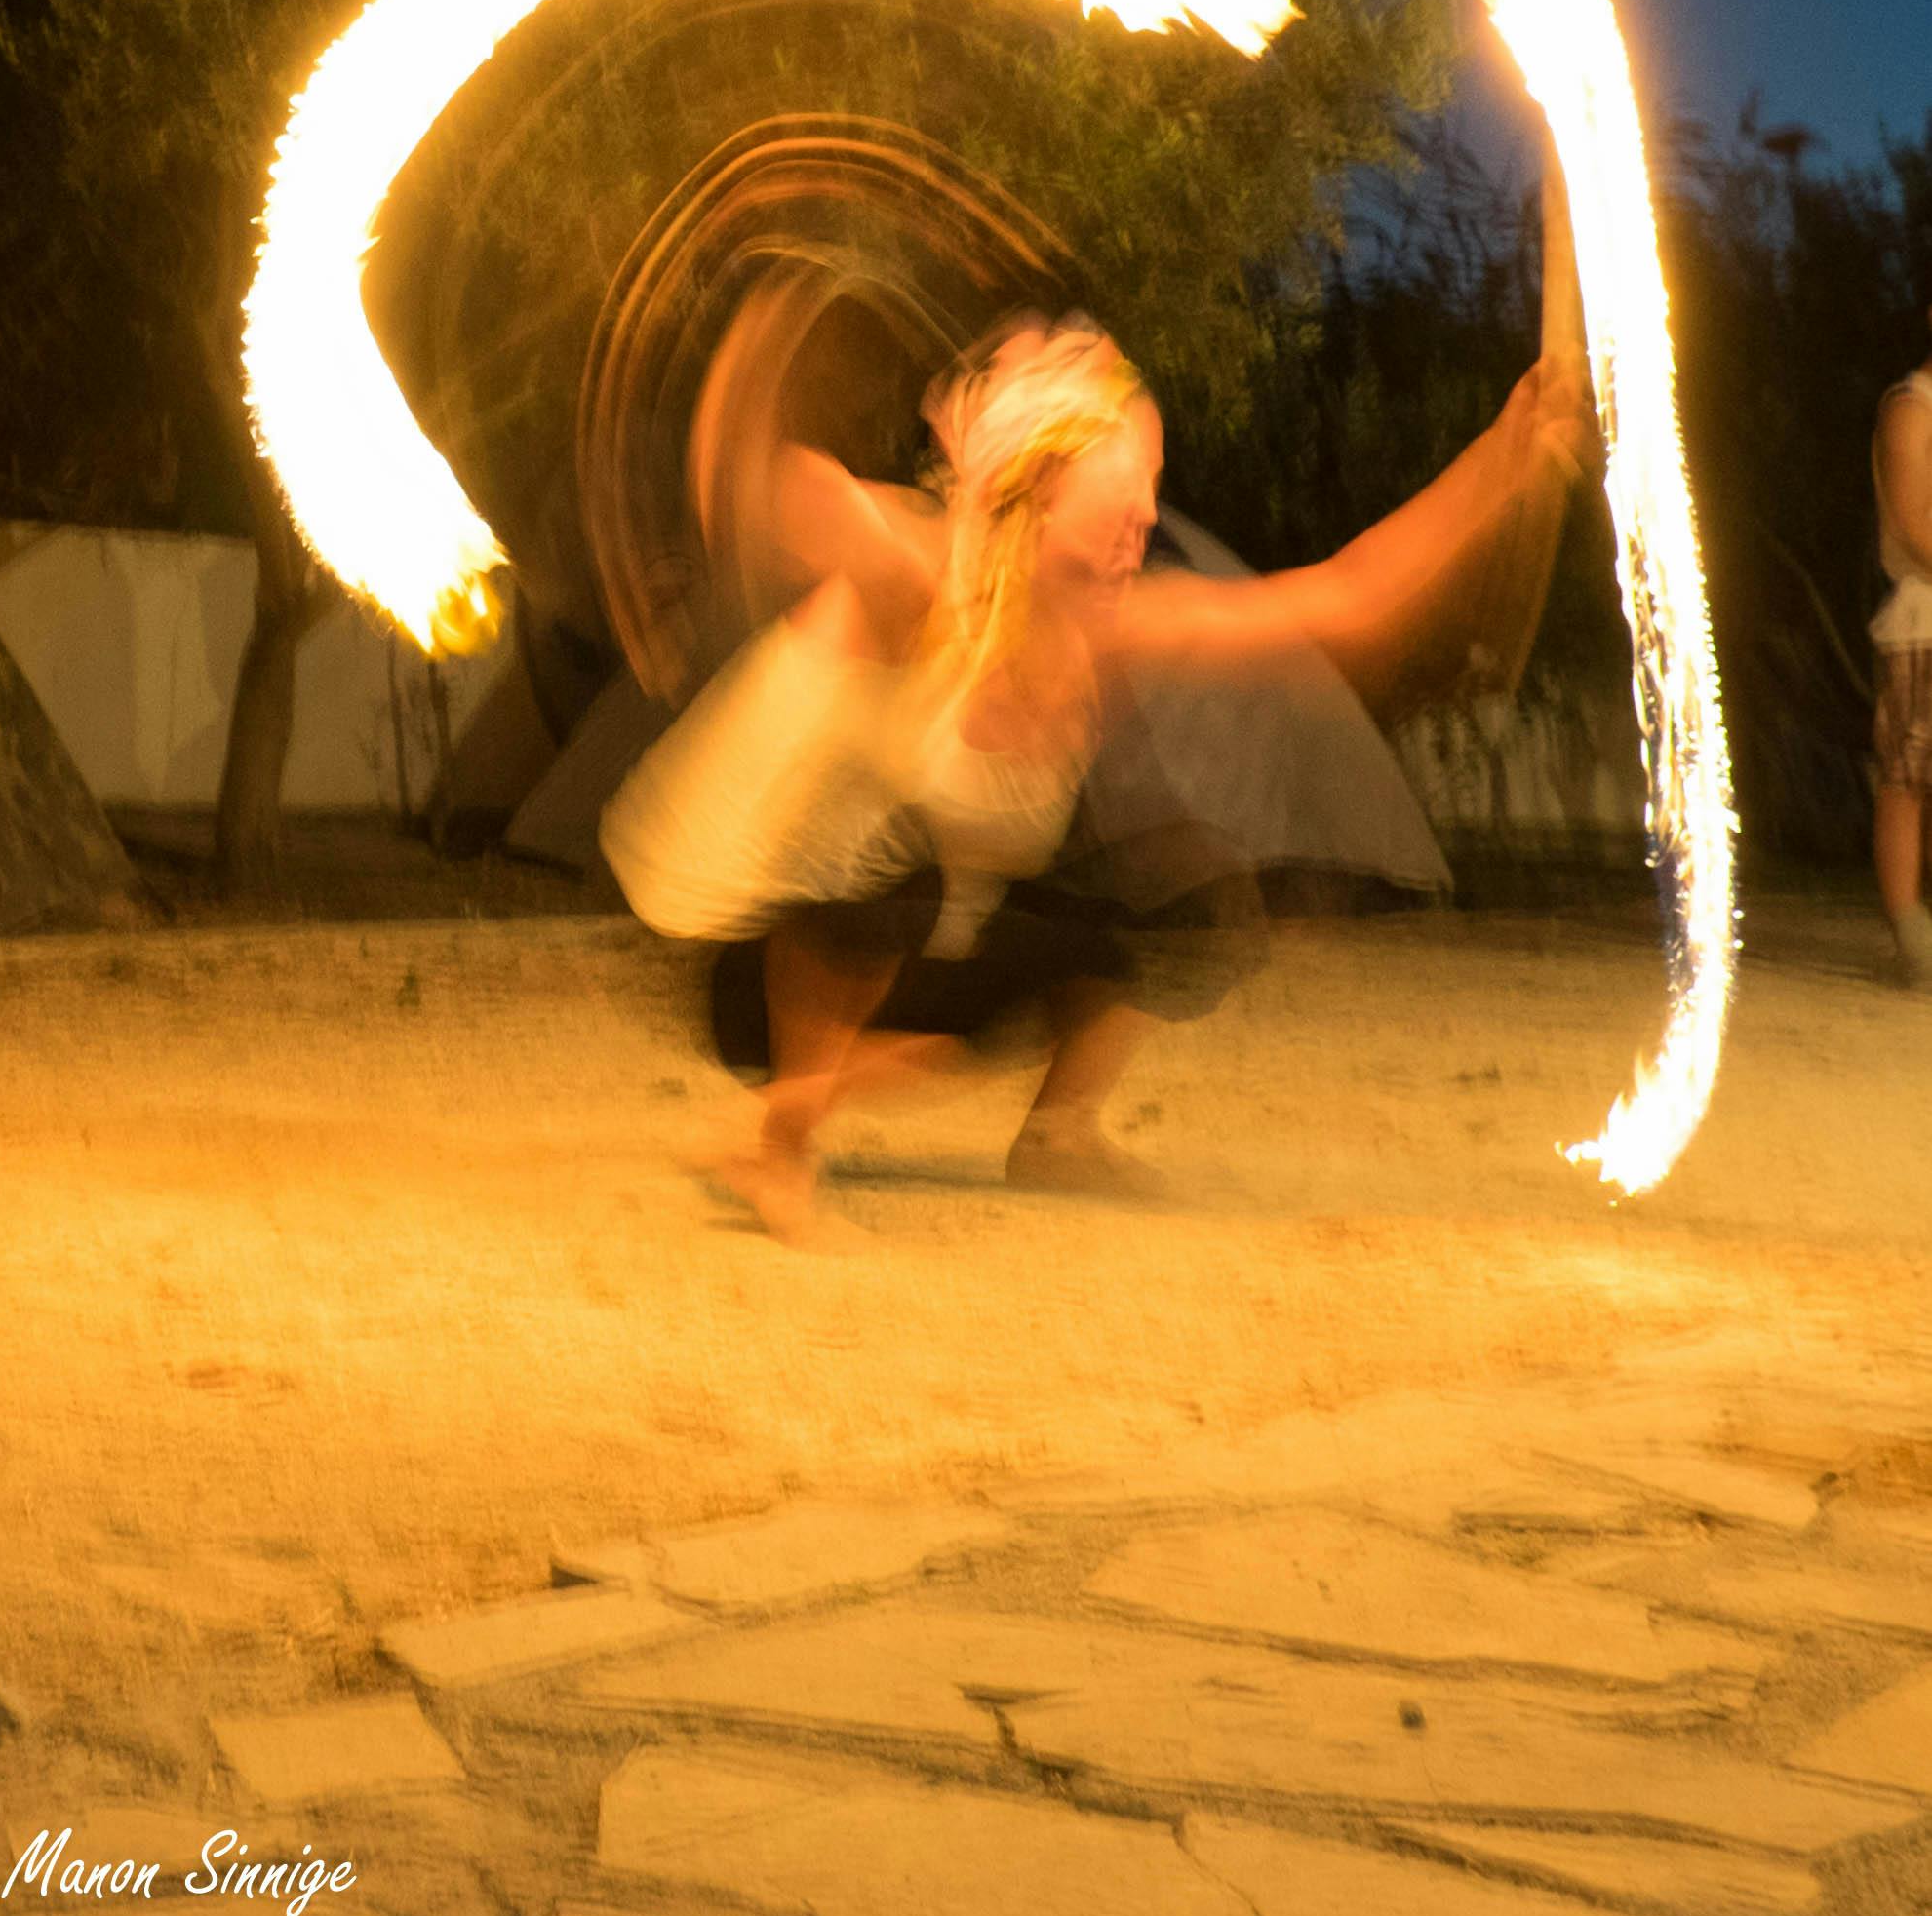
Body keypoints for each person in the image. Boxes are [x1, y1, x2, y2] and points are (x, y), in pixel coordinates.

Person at [604, 307, 1587, 1244]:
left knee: (1186, 876)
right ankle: (781, 1141)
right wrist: (756, 377)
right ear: (1033, 496)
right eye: (1121, 500)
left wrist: (1504, 453)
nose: (1146, 520)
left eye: (1149, 494)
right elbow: (788, 487)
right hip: (767, 958)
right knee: (893, 885)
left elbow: (1340, 598)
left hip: (924, 955)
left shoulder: (1107, 636)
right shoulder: (917, 586)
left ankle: (1056, 1135)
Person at [1873, 296, 1932, 985]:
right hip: (1921, 621)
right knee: (1909, 775)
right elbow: (1916, 525)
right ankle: (1910, 928)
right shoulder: (1912, 407)